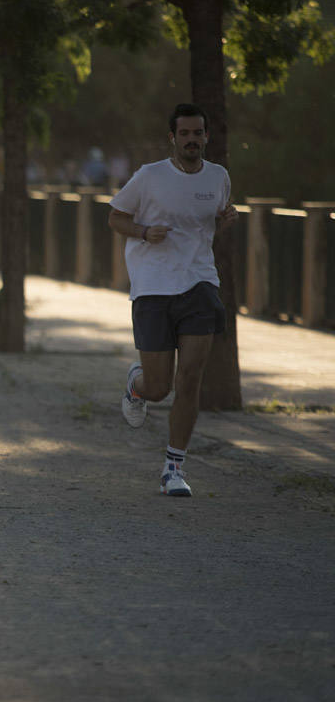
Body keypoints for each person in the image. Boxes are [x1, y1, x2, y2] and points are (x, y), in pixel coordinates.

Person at [108, 103, 238, 497]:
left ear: (206, 137)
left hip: (199, 284)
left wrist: (226, 221)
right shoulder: (149, 177)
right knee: (160, 386)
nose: (192, 140)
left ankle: (173, 469)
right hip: (152, 287)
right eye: (185, 134)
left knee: (191, 377)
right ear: (173, 138)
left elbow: (212, 223)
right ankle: (137, 385)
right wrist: (144, 231)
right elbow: (115, 217)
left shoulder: (218, 177)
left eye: (198, 133)